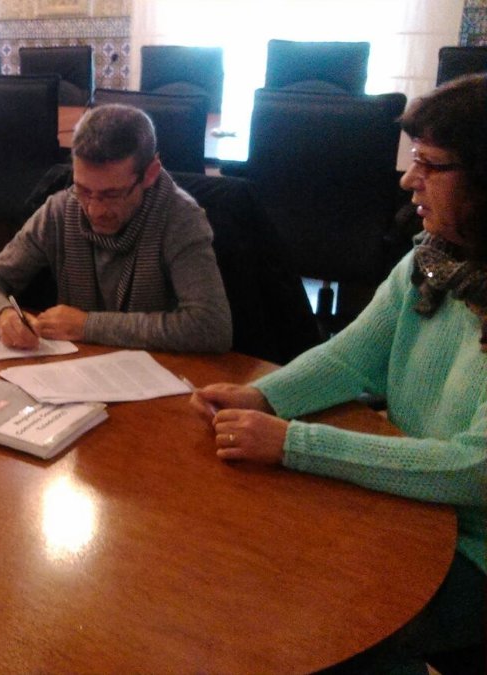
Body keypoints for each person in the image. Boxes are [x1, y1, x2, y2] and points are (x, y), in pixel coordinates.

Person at [192, 74, 486, 673]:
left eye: (429, 164)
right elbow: (349, 355)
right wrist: (261, 397)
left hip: (473, 550)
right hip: (412, 511)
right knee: (257, 569)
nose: (408, 179)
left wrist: (295, 443)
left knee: (326, 623)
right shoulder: (430, 261)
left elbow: (476, 469)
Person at [0, 104, 231, 353]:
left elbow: (211, 325)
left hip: (156, 372)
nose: (94, 210)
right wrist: (2, 315)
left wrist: (87, 326)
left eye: (111, 195)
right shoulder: (61, 209)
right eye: (83, 190)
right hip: (74, 369)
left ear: (150, 173)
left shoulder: (180, 219)